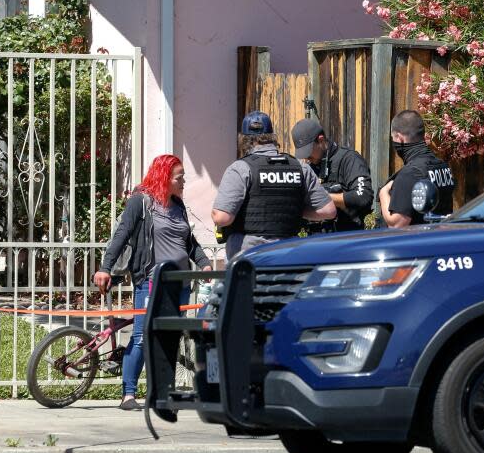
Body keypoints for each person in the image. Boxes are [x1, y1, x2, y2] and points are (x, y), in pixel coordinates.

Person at [94, 154, 212, 410]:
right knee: (142, 337)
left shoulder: (178, 205)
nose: (183, 182)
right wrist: (105, 268)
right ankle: (128, 395)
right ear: (165, 177)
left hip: (180, 284)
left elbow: (189, 243)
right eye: (179, 177)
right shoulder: (141, 202)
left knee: (168, 338)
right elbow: (121, 235)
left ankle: (162, 394)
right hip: (151, 281)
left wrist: (205, 264)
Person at [212, 111, 336, 260]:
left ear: (244, 140)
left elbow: (221, 217)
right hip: (288, 256)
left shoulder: (240, 168)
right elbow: (328, 211)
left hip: (249, 259)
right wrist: (292, 210)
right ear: (272, 137)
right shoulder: (300, 168)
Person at [291, 118, 372, 232]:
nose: (306, 157)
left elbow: (364, 196)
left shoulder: (349, 159)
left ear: (321, 140)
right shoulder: (309, 167)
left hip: (346, 238)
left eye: (308, 152)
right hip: (316, 240)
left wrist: (323, 198)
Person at [378, 110, 456, 228]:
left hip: (415, 242)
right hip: (439, 238)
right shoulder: (442, 166)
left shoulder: (410, 174)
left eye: (393, 137)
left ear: (399, 138)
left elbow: (397, 224)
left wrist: (383, 193)